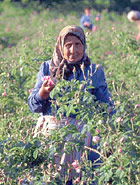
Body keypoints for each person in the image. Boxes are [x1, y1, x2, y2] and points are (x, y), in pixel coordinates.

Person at [27, 25, 114, 184]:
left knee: (84, 179)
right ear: (60, 46)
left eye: (77, 44)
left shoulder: (94, 71)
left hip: (82, 140)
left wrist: (112, 137)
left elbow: (106, 108)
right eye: (68, 45)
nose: (73, 50)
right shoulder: (48, 67)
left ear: (84, 45)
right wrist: (44, 92)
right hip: (51, 139)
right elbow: (33, 106)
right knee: (46, 178)